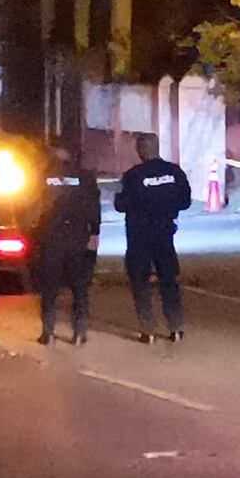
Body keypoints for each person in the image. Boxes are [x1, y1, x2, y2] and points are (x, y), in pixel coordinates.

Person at [114, 133, 191, 344]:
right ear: (157, 147)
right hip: (165, 235)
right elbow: (185, 201)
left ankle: (147, 330)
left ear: (140, 150)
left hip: (139, 237)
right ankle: (175, 327)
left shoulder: (133, 176)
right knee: (169, 281)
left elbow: (121, 205)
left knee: (140, 282)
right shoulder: (174, 172)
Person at [35, 140, 101, 346]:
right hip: (77, 236)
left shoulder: (43, 176)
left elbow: (34, 206)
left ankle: (48, 332)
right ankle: (80, 332)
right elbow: (94, 207)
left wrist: (36, 233)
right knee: (79, 286)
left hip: (51, 236)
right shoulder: (85, 176)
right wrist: (94, 233)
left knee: (50, 286)